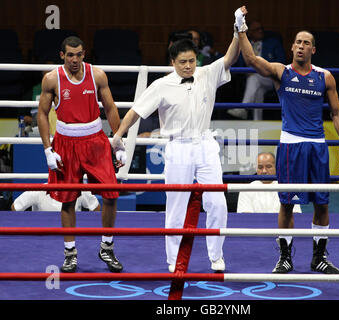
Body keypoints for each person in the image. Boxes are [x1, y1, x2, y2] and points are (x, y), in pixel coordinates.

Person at [111, 8, 243, 273]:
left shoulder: (206, 73)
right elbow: (136, 111)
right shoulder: (161, 85)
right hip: (178, 147)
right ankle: (173, 260)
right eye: (183, 62)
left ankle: (216, 255)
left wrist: (238, 28)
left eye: (192, 61)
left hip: (205, 145)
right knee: (176, 205)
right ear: (173, 62)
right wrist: (117, 136)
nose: (188, 66)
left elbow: (231, 56)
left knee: (217, 202)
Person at [235, 6, 339, 274]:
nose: (301, 46)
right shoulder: (281, 72)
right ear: (292, 47)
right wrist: (240, 27)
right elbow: (252, 59)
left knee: (322, 203)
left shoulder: (325, 77)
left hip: (317, 146)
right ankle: (285, 257)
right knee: (287, 203)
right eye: (298, 42)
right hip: (290, 146)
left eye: (306, 43)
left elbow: (336, 112)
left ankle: (318, 258)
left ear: (313, 49)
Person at [37, 36, 126, 273]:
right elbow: (43, 114)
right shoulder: (51, 78)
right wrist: (48, 148)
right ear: (62, 55)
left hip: (95, 141)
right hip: (66, 142)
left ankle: (106, 247)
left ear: (84, 54)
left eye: (78, 55)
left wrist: (117, 142)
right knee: (68, 200)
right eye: (70, 55)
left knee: (111, 193)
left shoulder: (97, 75)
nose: (74, 60)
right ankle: (70, 253)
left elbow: (110, 108)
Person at [228, 20, 286, 120]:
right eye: (256, 29)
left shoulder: (273, 43)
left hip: (270, 78)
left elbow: (281, 61)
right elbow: (239, 63)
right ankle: (257, 121)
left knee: (254, 78)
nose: (260, 31)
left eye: (261, 29)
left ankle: (244, 108)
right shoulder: (244, 45)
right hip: (250, 78)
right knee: (258, 90)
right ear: (249, 32)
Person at [237, 152, 301, 214]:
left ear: (276, 167)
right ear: (256, 168)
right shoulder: (246, 189)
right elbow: (245, 217)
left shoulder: (288, 189)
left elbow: (296, 214)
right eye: (260, 167)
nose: (264, 171)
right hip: (255, 224)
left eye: (268, 166)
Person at [11, 190, 100, 212]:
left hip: (71, 235)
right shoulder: (39, 191)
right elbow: (15, 207)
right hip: (43, 238)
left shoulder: (80, 190)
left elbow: (96, 207)